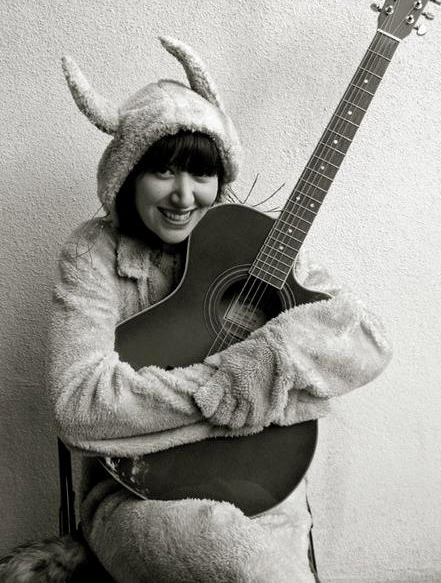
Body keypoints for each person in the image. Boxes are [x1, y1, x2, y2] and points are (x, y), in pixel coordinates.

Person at [48, 36, 392, 582]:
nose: (184, 196)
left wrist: (274, 356)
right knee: (235, 554)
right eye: (164, 171)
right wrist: (226, 387)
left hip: (265, 482)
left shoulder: (253, 241)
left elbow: (366, 338)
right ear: (128, 173)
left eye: (201, 175)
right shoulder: (93, 253)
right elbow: (79, 404)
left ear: (220, 179)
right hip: (138, 494)